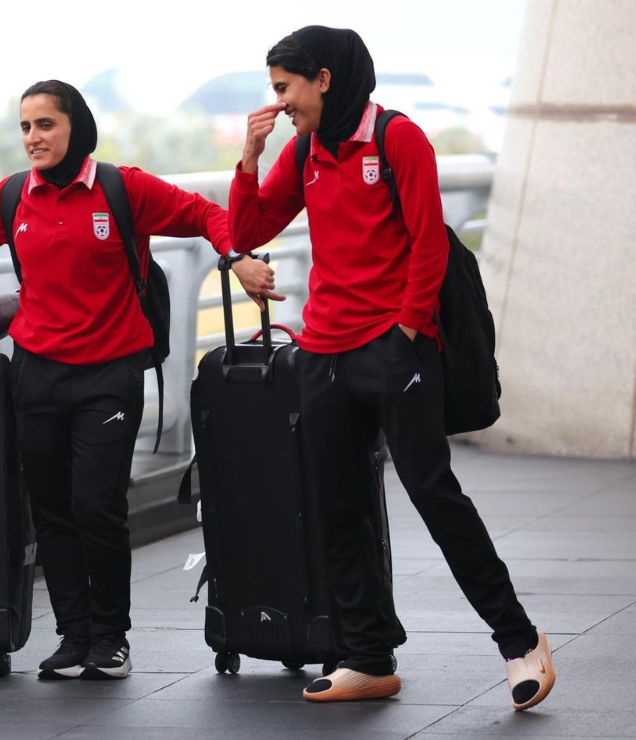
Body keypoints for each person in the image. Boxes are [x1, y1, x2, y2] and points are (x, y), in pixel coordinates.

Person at [228, 26, 555, 710]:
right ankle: (368, 657)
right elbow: (250, 227)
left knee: (434, 494)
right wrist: (250, 158)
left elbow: (429, 241)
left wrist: (407, 329)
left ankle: (520, 642)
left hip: (393, 349)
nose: (279, 103)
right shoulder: (306, 149)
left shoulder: (396, 138)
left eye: (285, 88)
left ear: (323, 77)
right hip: (323, 351)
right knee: (337, 505)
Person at [0, 80, 278, 680]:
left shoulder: (121, 187)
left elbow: (204, 214)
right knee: (53, 510)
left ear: (75, 127)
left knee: (96, 505)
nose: (34, 138)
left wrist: (237, 259)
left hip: (108, 374)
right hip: (36, 374)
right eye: (26, 127)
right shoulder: (14, 197)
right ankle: (73, 635)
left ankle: (111, 637)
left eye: (46, 125)